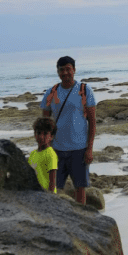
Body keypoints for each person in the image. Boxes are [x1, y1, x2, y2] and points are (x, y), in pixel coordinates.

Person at [40, 55, 97, 205]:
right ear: (57, 72)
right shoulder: (51, 92)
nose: (65, 73)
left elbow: (92, 122)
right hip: (56, 150)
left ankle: (81, 218)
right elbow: (45, 124)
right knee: (53, 188)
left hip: (80, 149)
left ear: (74, 70)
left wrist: (89, 149)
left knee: (80, 188)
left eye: (68, 69)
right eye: (61, 70)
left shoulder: (84, 90)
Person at [27, 117, 58, 194]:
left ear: (51, 136)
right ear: (34, 134)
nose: (41, 137)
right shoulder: (33, 154)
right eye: (39, 133)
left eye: (45, 134)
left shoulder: (51, 154)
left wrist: (50, 197)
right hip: (34, 193)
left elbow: (52, 181)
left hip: (46, 195)